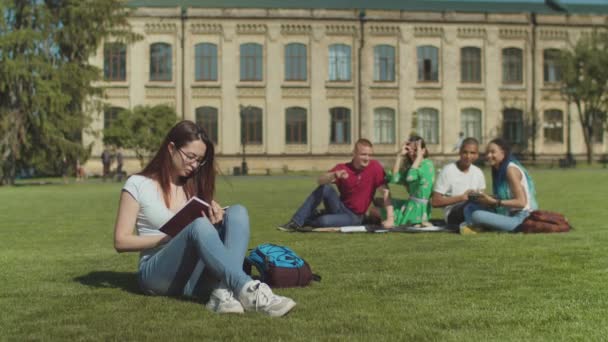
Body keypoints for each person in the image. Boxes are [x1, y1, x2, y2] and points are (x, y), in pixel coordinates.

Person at [113, 120, 296, 317]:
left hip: (193, 273)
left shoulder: (193, 186)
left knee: (237, 212)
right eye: (190, 157)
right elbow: (121, 241)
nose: (194, 165)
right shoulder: (138, 184)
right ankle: (249, 291)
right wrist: (168, 238)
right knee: (198, 225)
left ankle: (224, 292)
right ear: (171, 148)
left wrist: (216, 221)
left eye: (199, 160)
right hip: (156, 272)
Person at [278, 138, 392, 231]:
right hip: (340, 206)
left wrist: (390, 218)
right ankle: (296, 222)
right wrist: (334, 175)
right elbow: (320, 180)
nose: (367, 158)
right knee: (326, 188)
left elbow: (386, 191)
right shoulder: (343, 168)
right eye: (363, 154)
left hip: (354, 216)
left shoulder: (375, 167)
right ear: (354, 154)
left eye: (369, 155)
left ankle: (312, 218)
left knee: (324, 221)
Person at [461, 138, 538, 234]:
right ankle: (478, 227)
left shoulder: (511, 170)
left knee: (477, 215)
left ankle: (476, 227)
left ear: (503, 153)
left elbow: (521, 202)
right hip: (508, 213)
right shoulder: (498, 170)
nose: (489, 156)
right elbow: (504, 197)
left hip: (521, 218)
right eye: (487, 153)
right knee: (470, 207)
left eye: (493, 152)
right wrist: (484, 198)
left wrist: (495, 202)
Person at [377, 135, 435, 227]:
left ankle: (417, 221)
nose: (412, 153)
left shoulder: (427, 164)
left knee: (383, 213)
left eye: (416, 150)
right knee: (379, 207)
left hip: (420, 208)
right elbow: (394, 179)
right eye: (410, 150)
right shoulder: (411, 166)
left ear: (423, 151)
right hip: (410, 205)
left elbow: (410, 177)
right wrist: (399, 156)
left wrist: (419, 157)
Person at [431, 137, 486, 226]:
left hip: (473, 208)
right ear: (460, 152)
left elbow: (481, 199)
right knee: (470, 207)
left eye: (472, 153)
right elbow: (435, 202)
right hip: (453, 213)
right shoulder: (448, 170)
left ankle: (475, 223)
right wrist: (462, 198)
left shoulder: (478, 172)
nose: (468, 156)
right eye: (465, 152)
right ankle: (474, 223)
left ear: (477, 155)